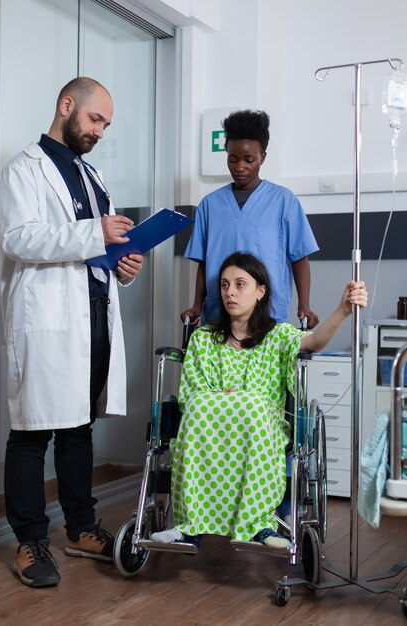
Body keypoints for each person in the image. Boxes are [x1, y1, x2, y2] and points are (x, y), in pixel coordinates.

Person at [0, 77, 144, 587]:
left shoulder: (91, 175)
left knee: (79, 427)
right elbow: (17, 239)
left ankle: (80, 528)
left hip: (93, 316)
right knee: (32, 433)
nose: (100, 131)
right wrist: (94, 233)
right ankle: (30, 540)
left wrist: (120, 262)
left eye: (106, 124)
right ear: (66, 107)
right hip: (47, 322)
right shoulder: (23, 169)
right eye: (96, 119)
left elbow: (93, 248)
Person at [152, 252, 367, 548]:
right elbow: (194, 396)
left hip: (260, 429)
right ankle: (189, 526)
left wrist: (343, 310)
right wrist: (226, 403)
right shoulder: (203, 339)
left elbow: (314, 342)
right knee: (202, 407)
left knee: (252, 405)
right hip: (209, 430)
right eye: (225, 285)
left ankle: (261, 525)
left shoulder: (278, 336)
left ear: (260, 291)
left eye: (240, 284)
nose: (230, 292)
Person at [182, 109, 320, 329]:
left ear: (262, 157)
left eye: (249, 160)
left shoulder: (284, 201)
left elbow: (299, 258)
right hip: (221, 313)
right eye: (233, 159)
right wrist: (197, 305)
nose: (240, 167)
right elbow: (203, 262)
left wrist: (304, 305)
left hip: (268, 313)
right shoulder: (209, 205)